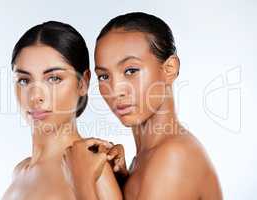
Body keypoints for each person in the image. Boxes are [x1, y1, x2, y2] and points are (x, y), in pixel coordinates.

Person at [63, 12, 223, 200]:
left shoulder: (174, 156)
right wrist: (122, 181)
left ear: (169, 69)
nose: (115, 90)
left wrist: (82, 181)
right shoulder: (146, 158)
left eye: (131, 70)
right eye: (104, 76)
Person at [2, 21, 123, 200]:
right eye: (24, 80)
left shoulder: (96, 170)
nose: (35, 96)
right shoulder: (20, 171)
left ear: (83, 83)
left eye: (54, 79)